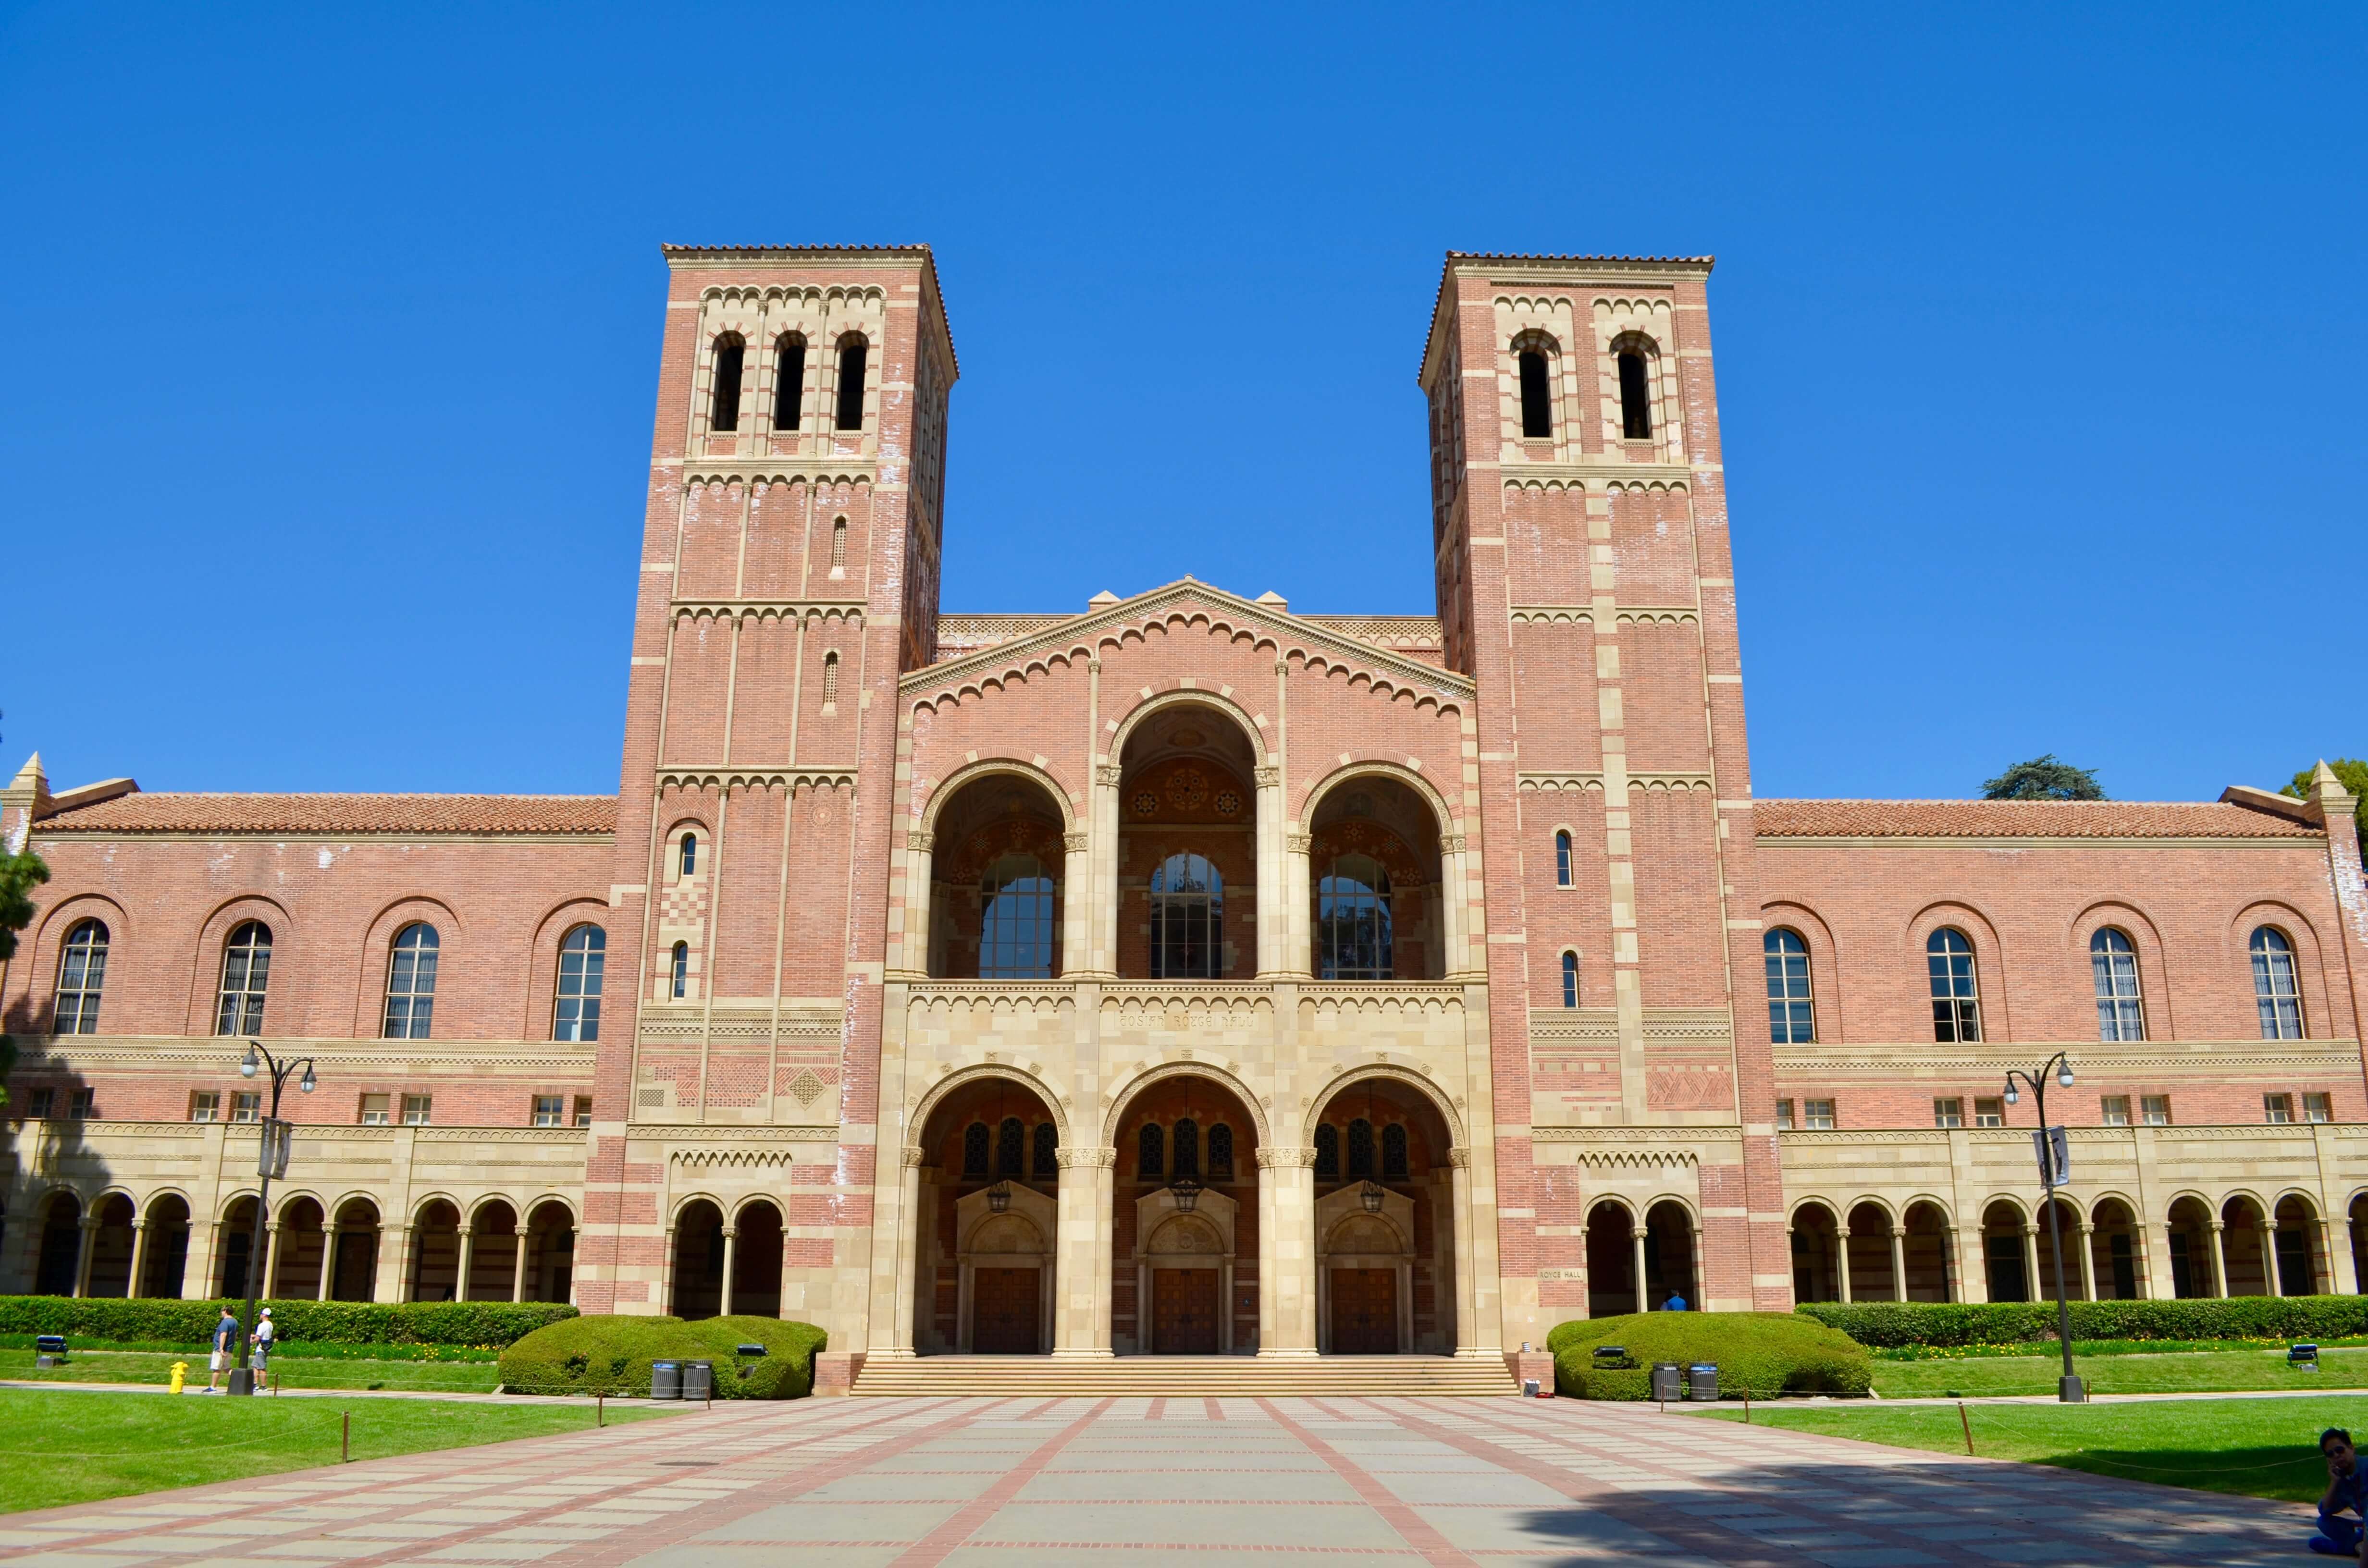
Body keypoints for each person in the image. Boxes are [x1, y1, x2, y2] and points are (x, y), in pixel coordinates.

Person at [2313, 1427, 2367, 1556]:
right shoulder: (2342, 1480)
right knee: (2323, 1523)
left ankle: (2354, 1548)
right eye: (2331, 1454)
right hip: (2365, 1527)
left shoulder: (2365, 1466)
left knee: (2319, 1544)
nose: (2337, 1456)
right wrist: (2335, 1482)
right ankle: (2358, 1546)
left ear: (2351, 1448)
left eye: (2340, 1450)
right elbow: (2325, 1511)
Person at [206, 1307, 240, 1392]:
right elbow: (236, 1335)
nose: (221, 1312)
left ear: (226, 1311)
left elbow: (223, 1335)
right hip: (229, 1349)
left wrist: (221, 1348)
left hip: (221, 1350)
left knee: (217, 1368)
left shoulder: (225, 1322)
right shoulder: (235, 1322)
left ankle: (213, 1387)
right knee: (227, 1368)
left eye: (222, 1311)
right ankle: (240, 1382)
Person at [250, 1307, 276, 1393]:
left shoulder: (262, 1325)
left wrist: (251, 1341)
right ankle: (255, 1384)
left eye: (261, 1314)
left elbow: (258, 1338)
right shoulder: (270, 1324)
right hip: (266, 1347)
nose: (260, 1316)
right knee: (255, 1366)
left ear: (264, 1315)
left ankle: (264, 1386)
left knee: (262, 1367)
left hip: (261, 1349)